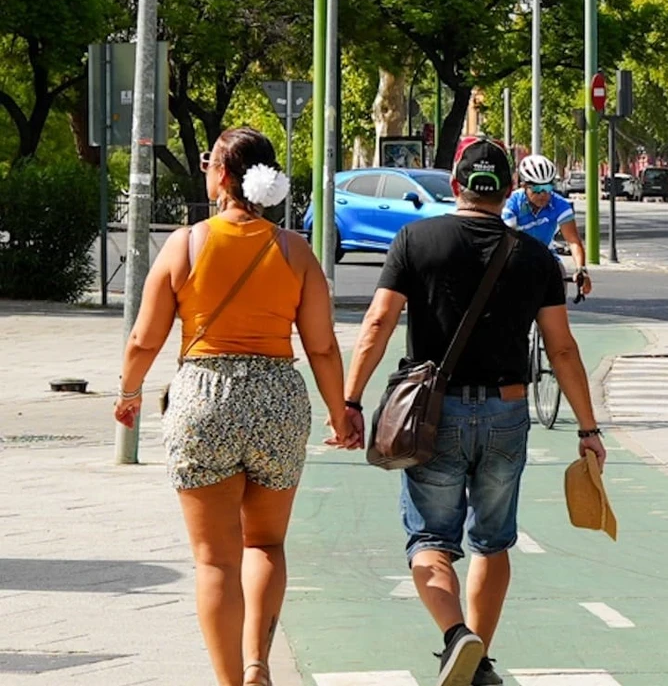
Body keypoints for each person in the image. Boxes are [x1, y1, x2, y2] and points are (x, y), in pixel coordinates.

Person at [342, 139, 606, 686]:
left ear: (456, 185)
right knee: (492, 540)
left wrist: (349, 401)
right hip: (507, 412)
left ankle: (454, 635)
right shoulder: (535, 257)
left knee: (430, 541)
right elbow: (561, 349)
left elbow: (377, 324)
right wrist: (588, 428)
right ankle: (479, 659)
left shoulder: (415, 240)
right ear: (508, 190)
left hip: (433, 416)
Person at [115, 127, 353, 686]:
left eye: (208, 163)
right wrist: (339, 412)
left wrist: (129, 392)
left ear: (222, 175)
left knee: (215, 559)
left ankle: (230, 681)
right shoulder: (295, 251)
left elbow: (144, 339)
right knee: (265, 543)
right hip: (277, 399)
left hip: (204, 398)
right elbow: (322, 346)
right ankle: (257, 664)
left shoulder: (186, 244)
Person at [501, 154, 590, 296]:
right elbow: (508, 241)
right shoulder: (512, 203)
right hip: (517, 256)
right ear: (523, 186)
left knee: (559, 277)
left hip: (546, 256)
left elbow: (573, 241)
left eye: (547, 188)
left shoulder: (560, 204)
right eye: (536, 189)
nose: (543, 194)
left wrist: (581, 270)